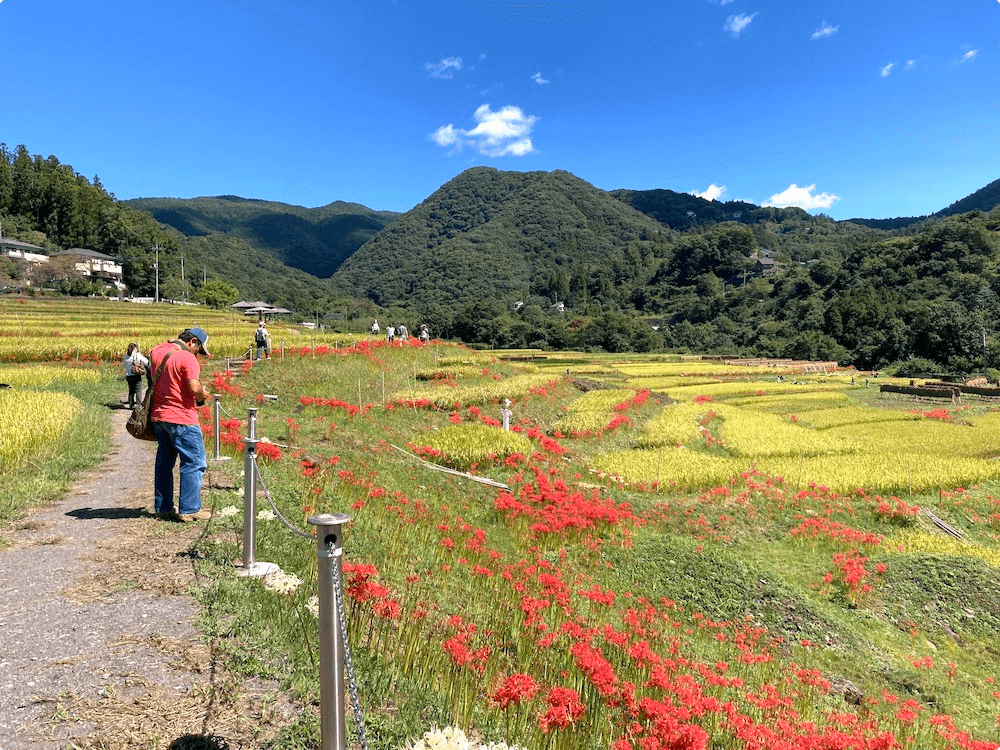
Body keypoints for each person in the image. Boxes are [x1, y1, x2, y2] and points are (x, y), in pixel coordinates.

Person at [150, 328, 212, 522]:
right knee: (194, 462)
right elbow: (195, 388)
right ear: (193, 341)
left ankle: (163, 507)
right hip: (182, 417)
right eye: (198, 349)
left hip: (159, 416)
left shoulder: (158, 350)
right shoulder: (187, 358)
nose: (197, 354)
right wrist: (204, 394)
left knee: (164, 463)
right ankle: (190, 509)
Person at [123, 343, 151, 410]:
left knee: (131, 391)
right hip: (136, 375)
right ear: (134, 348)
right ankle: (138, 405)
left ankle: (131, 404)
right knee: (138, 390)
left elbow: (123, 365)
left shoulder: (126, 356)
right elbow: (146, 361)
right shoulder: (137, 355)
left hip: (128, 375)